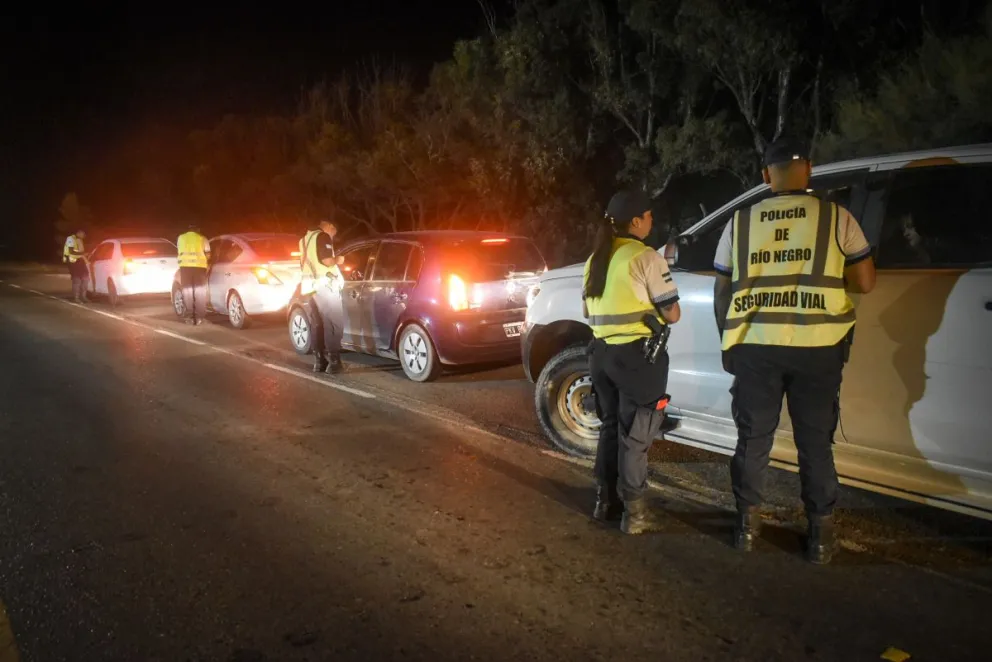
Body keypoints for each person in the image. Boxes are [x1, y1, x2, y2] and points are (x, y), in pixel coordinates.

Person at [712, 136, 876, 564]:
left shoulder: (740, 221)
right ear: (810, 169)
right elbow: (865, 282)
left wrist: (728, 341)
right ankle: (820, 537)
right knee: (815, 443)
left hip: (755, 348)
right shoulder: (837, 218)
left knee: (753, 439)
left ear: (766, 175)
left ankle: (747, 528)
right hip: (818, 348)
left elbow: (722, 290)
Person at [583, 190, 682, 535]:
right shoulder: (646, 257)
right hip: (637, 360)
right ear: (636, 221)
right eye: (649, 216)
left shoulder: (595, 259)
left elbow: (588, 312)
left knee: (610, 428)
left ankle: (604, 501)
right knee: (636, 438)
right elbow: (673, 313)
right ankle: (635, 514)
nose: (652, 221)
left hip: (601, 356)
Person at [299, 220, 345, 374]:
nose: (332, 236)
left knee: (317, 324)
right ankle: (334, 362)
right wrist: (338, 260)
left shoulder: (304, 240)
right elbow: (326, 261)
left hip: (309, 288)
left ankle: (319, 361)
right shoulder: (322, 236)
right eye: (334, 231)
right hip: (324, 285)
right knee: (334, 323)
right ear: (329, 226)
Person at [176, 224, 211, 325]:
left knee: (187, 292)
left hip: (185, 268)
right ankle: (200, 317)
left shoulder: (180, 238)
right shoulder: (202, 239)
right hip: (199, 268)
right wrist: (207, 263)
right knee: (200, 293)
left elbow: (179, 251)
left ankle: (189, 317)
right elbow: (208, 254)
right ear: (198, 229)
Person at [63, 229, 90, 303]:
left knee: (86, 279)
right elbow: (71, 251)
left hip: (80, 262)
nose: (84, 236)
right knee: (77, 280)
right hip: (73, 262)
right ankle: (76, 298)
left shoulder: (80, 240)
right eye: (83, 234)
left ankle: (83, 296)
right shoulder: (70, 239)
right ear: (79, 232)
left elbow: (81, 252)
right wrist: (82, 255)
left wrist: (85, 257)